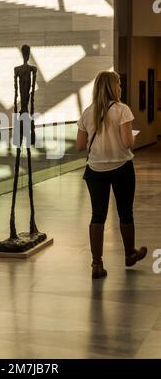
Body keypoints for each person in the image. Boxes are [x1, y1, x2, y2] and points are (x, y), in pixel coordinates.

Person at [76, 71, 147, 279]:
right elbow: (127, 143)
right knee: (125, 212)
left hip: (95, 170)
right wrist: (131, 138)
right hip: (121, 168)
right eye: (119, 84)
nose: (120, 88)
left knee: (97, 215)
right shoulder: (122, 110)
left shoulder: (87, 112)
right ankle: (129, 254)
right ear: (112, 87)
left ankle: (97, 264)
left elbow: (80, 145)